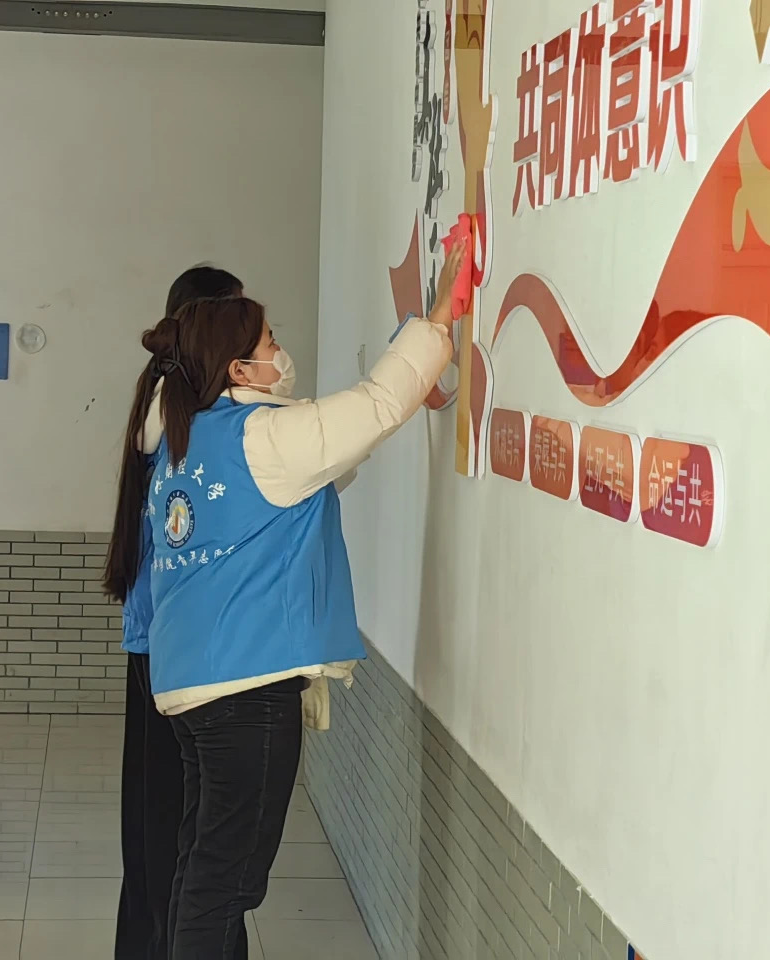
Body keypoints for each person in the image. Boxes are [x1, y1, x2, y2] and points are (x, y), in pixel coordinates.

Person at [114, 239, 466, 958]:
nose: (283, 350)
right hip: (246, 692)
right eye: (270, 341)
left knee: (201, 869)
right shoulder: (263, 436)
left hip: (192, 688)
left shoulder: (187, 436)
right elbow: (377, 405)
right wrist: (437, 320)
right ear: (239, 369)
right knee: (223, 884)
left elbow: (334, 454)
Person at [104, 265, 244, 960]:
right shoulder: (178, 405)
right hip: (173, 646)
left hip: (163, 643)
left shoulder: (167, 396)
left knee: (165, 821)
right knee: (175, 825)